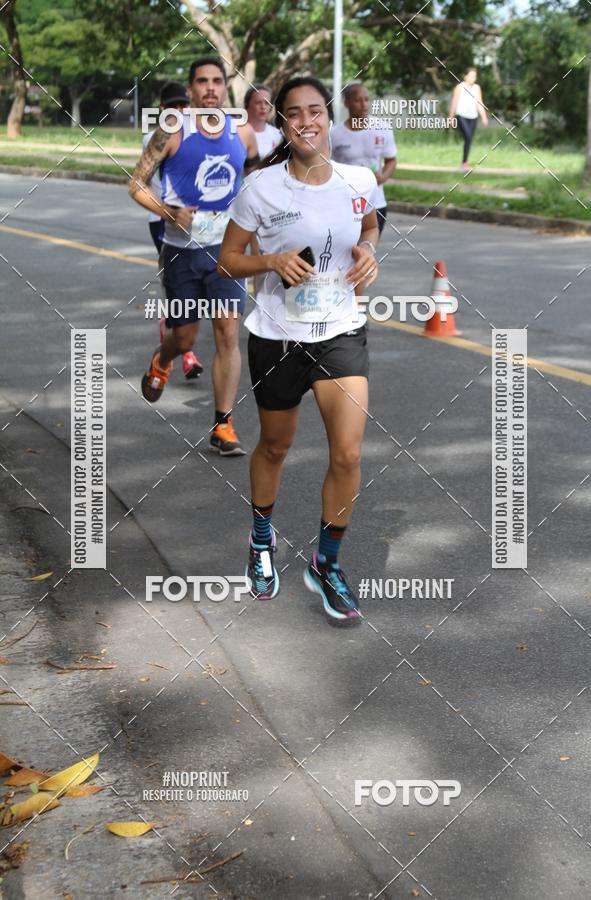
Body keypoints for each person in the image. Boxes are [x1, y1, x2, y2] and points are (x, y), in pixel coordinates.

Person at [218, 76, 379, 625]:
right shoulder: (261, 188)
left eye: (315, 110)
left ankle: (326, 564)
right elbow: (228, 260)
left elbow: (370, 225)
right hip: (278, 336)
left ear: (328, 117)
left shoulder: (360, 179)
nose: (306, 121)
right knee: (275, 445)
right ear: (283, 122)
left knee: (348, 454)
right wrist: (271, 261)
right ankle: (261, 540)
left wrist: (369, 252)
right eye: (294, 112)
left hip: (340, 332)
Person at [128, 57, 259, 456]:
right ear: (191, 90)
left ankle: (223, 425)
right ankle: (163, 360)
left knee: (227, 333)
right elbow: (136, 184)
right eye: (202, 81)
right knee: (184, 336)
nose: (210, 88)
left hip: (227, 252)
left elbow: (255, 185)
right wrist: (168, 211)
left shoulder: (243, 132)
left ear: (225, 87)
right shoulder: (171, 130)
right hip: (181, 252)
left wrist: (260, 242)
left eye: (217, 81)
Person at [143, 80, 203, 381]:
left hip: (196, 221)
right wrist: (167, 210)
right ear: (162, 108)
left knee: (197, 285)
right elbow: (142, 183)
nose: (179, 110)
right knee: (180, 284)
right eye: (173, 106)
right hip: (162, 221)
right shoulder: (153, 138)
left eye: (183, 105)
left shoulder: (197, 135)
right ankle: (185, 351)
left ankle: (175, 331)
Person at [330, 81, 397, 235]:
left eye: (366, 99)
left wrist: (383, 177)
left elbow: (391, 160)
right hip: (345, 203)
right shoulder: (334, 134)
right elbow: (327, 165)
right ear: (346, 103)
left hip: (376, 203)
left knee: (368, 247)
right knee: (347, 249)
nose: (364, 105)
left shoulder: (382, 128)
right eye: (357, 100)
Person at [449, 67, 488, 170]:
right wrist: (451, 117)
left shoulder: (477, 88)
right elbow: (454, 102)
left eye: (474, 76)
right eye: (471, 76)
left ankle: (464, 163)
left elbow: (479, 103)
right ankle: (464, 163)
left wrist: (484, 117)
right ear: (465, 76)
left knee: (469, 139)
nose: (473, 78)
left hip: (473, 117)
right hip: (461, 115)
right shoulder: (460, 87)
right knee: (468, 136)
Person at [244, 84, 280, 161]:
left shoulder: (277, 135)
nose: (263, 107)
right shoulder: (236, 133)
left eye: (267, 103)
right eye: (258, 102)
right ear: (247, 106)